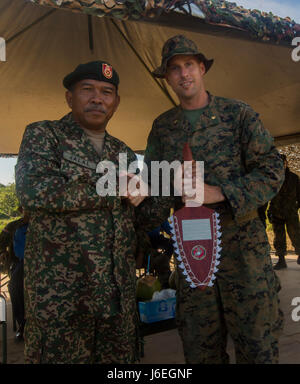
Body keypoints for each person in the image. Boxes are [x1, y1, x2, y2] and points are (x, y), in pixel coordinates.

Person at [130, 35, 285, 364]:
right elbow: (156, 191)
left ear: (202, 68)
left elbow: (272, 169)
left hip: (244, 251)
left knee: (257, 345)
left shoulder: (237, 114)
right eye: (174, 68)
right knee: (200, 348)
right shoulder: (163, 128)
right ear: (167, 77)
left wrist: (219, 192)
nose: (183, 74)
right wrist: (140, 194)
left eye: (189, 65)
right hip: (192, 251)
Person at [15, 61, 139, 364]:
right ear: (70, 97)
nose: (98, 99)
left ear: (116, 102)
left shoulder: (124, 153)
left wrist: (172, 190)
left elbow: (135, 216)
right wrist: (110, 186)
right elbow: (33, 190)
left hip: (116, 297)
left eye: (107, 92)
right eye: (88, 90)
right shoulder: (45, 135)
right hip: (61, 298)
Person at [0, 207, 28, 341]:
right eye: (25, 209)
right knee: (14, 286)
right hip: (20, 262)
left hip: (44, 264)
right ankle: (23, 324)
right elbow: (1, 243)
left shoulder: (45, 224)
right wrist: (3, 252)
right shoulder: (13, 226)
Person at [268, 154, 300, 270]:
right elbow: (269, 196)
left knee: (296, 235)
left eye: (283, 162)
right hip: (276, 212)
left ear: (286, 163)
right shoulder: (273, 178)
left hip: (291, 213)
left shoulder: (294, 178)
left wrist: (295, 208)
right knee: (279, 238)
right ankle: (281, 260)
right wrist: (269, 211)